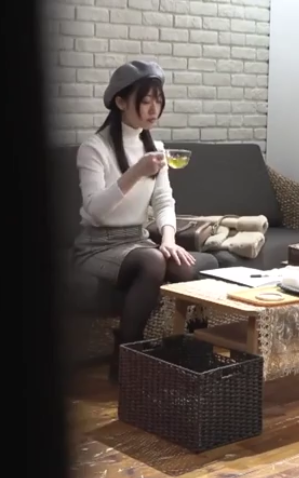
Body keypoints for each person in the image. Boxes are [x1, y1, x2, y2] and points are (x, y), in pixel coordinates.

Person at [72, 60, 219, 383]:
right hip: (98, 245)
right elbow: (95, 211)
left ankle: (186, 351)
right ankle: (126, 357)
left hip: (138, 240)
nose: (154, 109)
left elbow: (164, 201)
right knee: (153, 261)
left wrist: (168, 240)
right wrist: (136, 172)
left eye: (159, 100)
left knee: (194, 264)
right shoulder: (93, 149)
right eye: (146, 100)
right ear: (121, 102)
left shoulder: (156, 148)